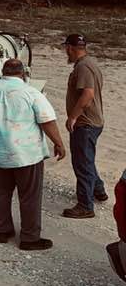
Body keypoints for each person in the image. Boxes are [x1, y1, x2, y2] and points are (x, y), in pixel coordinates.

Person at [0, 58, 66, 251]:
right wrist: (58, 143)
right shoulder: (31, 93)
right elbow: (47, 120)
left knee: (2, 193)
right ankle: (30, 238)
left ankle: (3, 230)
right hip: (26, 155)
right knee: (29, 196)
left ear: (2, 72)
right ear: (23, 73)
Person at [61, 33, 106, 219]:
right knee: (87, 159)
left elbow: (87, 95)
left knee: (82, 163)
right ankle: (98, 190)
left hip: (85, 123)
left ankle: (85, 205)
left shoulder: (83, 68)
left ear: (70, 48)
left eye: (67, 49)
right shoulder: (90, 63)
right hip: (93, 121)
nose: (67, 52)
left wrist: (72, 117)